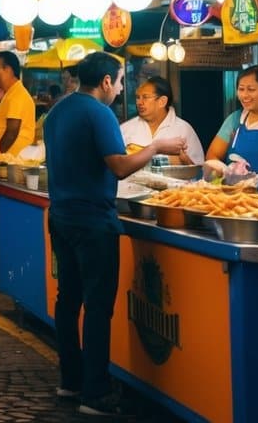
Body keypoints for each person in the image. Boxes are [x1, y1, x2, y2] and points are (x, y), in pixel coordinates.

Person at [44, 53, 187, 414]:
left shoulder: (58, 110)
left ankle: (70, 381)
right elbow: (120, 167)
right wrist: (155, 147)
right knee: (97, 307)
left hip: (61, 216)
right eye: (121, 82)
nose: (122, 89)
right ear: (106, 82)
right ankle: (96, 393)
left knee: (67, 300)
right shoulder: (99, 113)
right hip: (93, 222)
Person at [119, 76, 204, 166]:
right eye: (138, 97)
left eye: (145, 97)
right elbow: (118, 165)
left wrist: (183, 160)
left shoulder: (184, 129)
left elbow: (199, 171)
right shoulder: (125, 129)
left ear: (162, 101)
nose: (139, 102)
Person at [0, 51, 35, 155]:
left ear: (8, 70)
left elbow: (12, 132)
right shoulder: (11, 93)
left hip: (12, 160)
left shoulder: (16, 95)